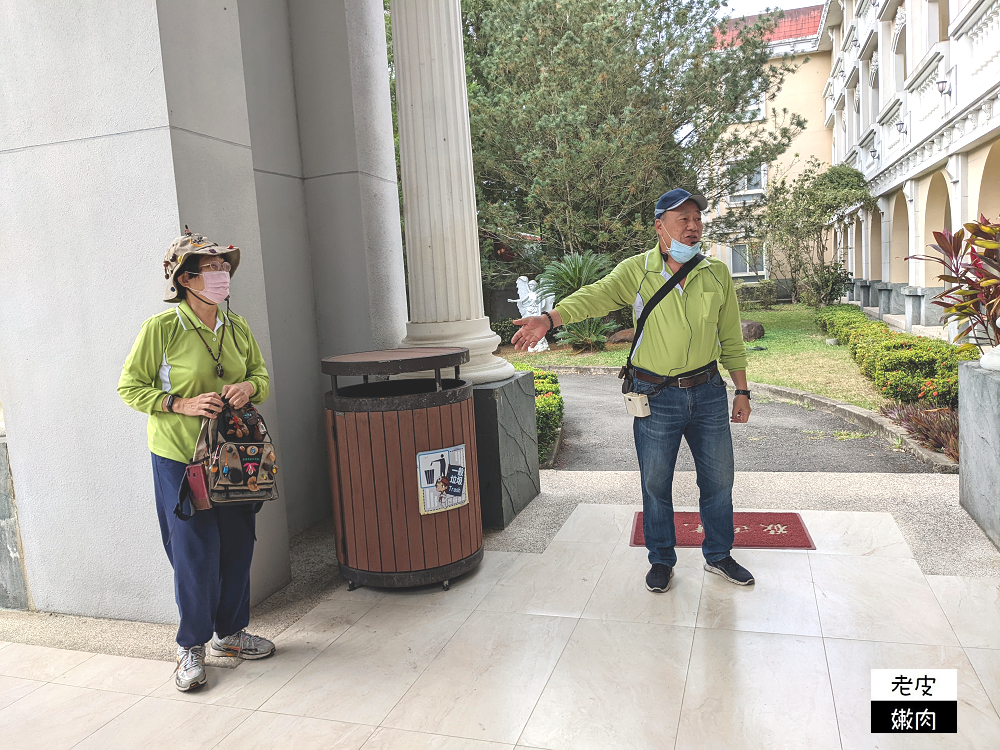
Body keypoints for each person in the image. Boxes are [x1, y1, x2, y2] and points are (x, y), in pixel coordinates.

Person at [512, 189, 755, 592]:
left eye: (697, 218)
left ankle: (719, 555)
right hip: (655, 394)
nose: (693, 227)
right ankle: (661, 558)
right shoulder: (637, 270)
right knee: (655, 481)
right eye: (683, 219)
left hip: (709, 391)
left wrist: (742, 391)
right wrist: (549, 319)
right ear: (660, 225)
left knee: (718, 480)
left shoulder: (716, 274)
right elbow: (596, 296)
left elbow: (730, 336)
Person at [118, 230, 275, 692]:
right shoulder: (161, 329)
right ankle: (192, 645)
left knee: (238, 544)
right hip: (182, 460)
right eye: (211, 268)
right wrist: (179, 404)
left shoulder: (236, 326)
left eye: (225, 267)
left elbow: (261, 377)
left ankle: (231, 633)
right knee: (193, 552)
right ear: (185, 279)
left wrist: (249, 387)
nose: (222, 275)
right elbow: (130, 387)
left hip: (235, 455)